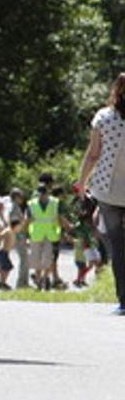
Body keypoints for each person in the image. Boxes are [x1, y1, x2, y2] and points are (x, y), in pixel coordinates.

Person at [74, 76, 125, 311]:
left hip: (108, 191)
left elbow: (93, 154)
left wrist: (82, 183)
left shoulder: (104, 117)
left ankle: (124, 301)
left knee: (116, 244)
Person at [25, 181, 63, 290]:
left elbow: (59, 217)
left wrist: (65, 231)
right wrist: (24, 233)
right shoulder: (31, 204)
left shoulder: (55, 202)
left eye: (43, 193)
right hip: (36, 234)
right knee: (36, 259)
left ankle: (45, 279)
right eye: (40, 194)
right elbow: (27, 219)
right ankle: (38, 280)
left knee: (47, 259)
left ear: (47, 193)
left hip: (51, 234)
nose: (41, 196)